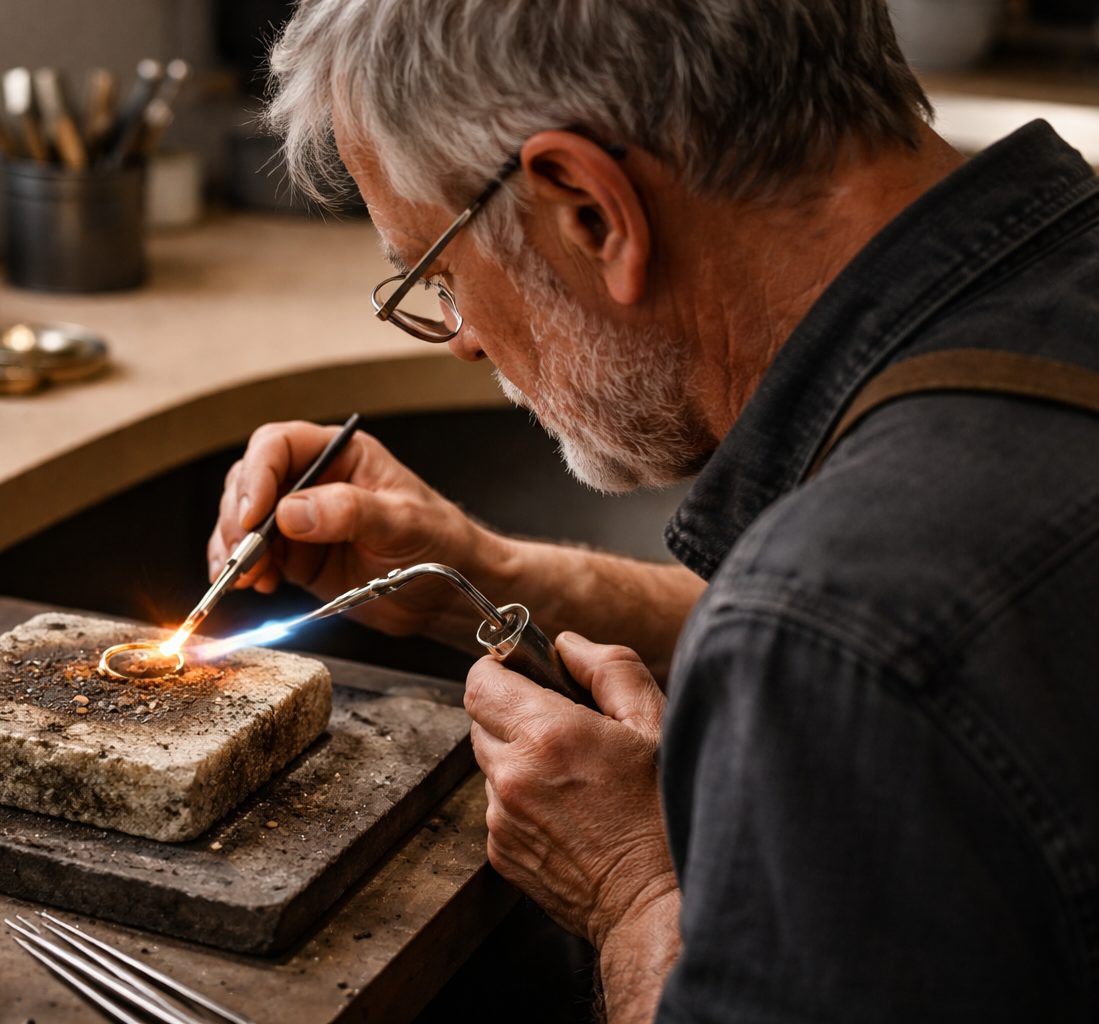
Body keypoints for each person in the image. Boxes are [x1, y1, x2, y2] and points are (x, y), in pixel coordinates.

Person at [206, 1, 1099, 1021]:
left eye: (439, 273)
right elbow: (952, 646)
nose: (461, 339)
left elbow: (849, 642)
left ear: (590, 210)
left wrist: (637, 890)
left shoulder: (834, 631)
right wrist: (486, 578)